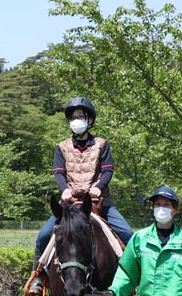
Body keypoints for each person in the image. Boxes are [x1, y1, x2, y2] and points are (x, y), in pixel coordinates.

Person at [30, 97, 133, 277]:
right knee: (43, 236)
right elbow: (59, 172)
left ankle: (135, 279)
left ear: (90, 120)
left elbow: (108, 170)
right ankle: (38, 278)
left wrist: (99, 187)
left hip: (99, 202)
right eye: (73, 117)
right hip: (70, 203)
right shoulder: (61, 147)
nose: (76, 120)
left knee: (129, 234)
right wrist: (65, 190)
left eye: (80, 116)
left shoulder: (102, 144)